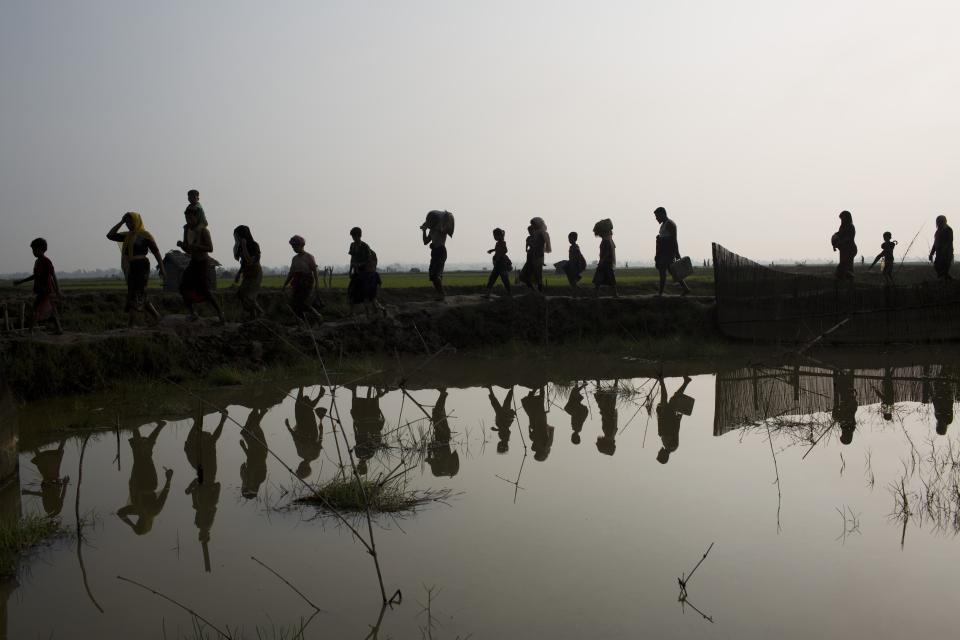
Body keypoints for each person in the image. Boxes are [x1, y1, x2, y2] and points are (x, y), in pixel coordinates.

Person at [184, 408, 226, 572]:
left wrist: (192, 488)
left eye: (201, 535)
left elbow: (196, 498)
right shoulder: (208, 516)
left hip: (203, 474)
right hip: (207, 474)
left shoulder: (200, 520)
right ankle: (204, 422)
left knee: (190, 447)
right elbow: (215, 488)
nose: (202, 532)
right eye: (204, 534)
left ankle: (198, 422)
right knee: (196, 446)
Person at [107, 212, 165, 326]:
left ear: (137, 221)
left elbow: (156, 252)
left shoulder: (145, 235)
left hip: (142, 266)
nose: (129, 224)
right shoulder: (127, 236)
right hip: (132, 267)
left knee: (137, 293)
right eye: (127, 222)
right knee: (137, 293)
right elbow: (110, 235)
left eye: (131, 221)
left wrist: (162, 268)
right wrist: (121, 222)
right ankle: (157, 316)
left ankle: (131, 324)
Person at [117, 421, 173, 535]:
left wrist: (132, 525)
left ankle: (151, 426)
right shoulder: (146, 511)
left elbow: (120, 513)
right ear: (142, 523)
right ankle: (136, 426)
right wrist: (168, 479)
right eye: (138, 523)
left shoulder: (139, 510)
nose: (138, 521)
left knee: (142, 455)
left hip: (147, 482)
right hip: (146, 482)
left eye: (136, 523)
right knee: (143, 455)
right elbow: (164, 495)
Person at [177, 201, 225, 323]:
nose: (188, 220)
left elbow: (210, 248)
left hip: (203, 263)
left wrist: (197, 247)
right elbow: (188, 249)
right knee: (183, 287)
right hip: (193, 262)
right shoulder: (187, 230)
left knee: (205, 290)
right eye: (186, 218)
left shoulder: (203, 231)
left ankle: (220, 313)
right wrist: (182, 245)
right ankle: (193, 313)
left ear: (196, 217)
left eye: (190, 218)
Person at [13, 238, 63, 334]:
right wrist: (21, 281)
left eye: (35, 250)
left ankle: (30, 332)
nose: (33, 252)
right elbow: (35, 276)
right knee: (52, 311)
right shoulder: (37, 262)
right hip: (41, 290)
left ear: (42, 249)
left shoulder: (46, 261)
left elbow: (53, 275)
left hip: (46, 291)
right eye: (32, 250)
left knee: (36, 310)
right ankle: (59, 329)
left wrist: (58, 290)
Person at [282, 235, 324, 324]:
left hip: (306, 282)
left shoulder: (309, 257)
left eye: (295, 246)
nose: (294, 248)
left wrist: (317, 283)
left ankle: (317, 315)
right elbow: (291, 273)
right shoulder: (294, 259)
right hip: (297, 282)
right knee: (294, 304)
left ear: (301, 245)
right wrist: (285, 284)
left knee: (302, 303)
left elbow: (314, 271)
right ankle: (302, 323)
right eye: (293, 247)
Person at [286, 386, 325, 479]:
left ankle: (303, 388)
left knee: (305, 409)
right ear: (304, 467)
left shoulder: (312, 455)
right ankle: (303, 388)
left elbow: (296, 438)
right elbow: (296, 438)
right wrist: (288, 428)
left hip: (308, 429)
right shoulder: (305, 454)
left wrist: (321, 430)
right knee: (302, 408)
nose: (299, 465)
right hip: (307, 429)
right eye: (299, 467)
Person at [21, 440, 68, 517]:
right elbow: (61, 495)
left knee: (43, 459)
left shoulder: (50, 506)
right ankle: (64, 438)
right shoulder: (56, 507)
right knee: (56, 456)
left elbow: (43, 495)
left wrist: (29, 492)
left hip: (49, 479)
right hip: (53, 479)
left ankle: (31, 439)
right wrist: (65, 483)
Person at [347, 227, 385, 316]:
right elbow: (352, 259)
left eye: (355, 236)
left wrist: (360, 265)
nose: (353, 238)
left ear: (359, 236)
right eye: (352, 236)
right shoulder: (352, 245)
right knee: (351, 291)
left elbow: (369, 260)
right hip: (357, 272)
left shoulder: (365, 247)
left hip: (366, 273)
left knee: (368, 296)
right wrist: (350, 270)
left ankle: (378, 311)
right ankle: (352, 312)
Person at [654, 207, 690, 295]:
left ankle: (660, 293)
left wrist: (677, 252)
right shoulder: (663, 225)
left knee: (663, 271)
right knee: (672, 271)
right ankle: (686, 289)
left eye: (657, 216)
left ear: (662, 214)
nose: (656, 218)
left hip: (668, 252)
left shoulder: (670, 224)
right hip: (663, 252)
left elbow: (674, 239)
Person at [656, 376, 692, 464]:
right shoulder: (672, 446)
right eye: (659, 454)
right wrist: (678, 419)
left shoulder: (667, 446)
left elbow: (662, 429)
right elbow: (675, 431)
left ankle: (663, 380)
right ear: (664, 455)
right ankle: (662, 380)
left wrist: (659, 414)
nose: (658, 452)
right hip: (669, 418)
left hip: (666, 417)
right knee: (672, 398)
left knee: (671, 398)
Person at [351, 386, 386, 476]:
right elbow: (373, 441)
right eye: (361, 465)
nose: (360, 464)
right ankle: (371, 388)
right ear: (364, 465)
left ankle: (354, 389)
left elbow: (356, 438)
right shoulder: (370, 454)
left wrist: (354, 425)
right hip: (368, 427)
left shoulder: (358, 455)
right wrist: (369, 438)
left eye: (359, 465)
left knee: (354, 412)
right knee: (361, 414)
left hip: (363, 428)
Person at [232, 225, 264, 320]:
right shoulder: (241, 247)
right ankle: (253, 315)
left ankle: (260, 312)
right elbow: (244, 263)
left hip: (255, 273)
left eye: (237, 236)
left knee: (248, 296)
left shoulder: (254, 245)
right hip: (247, 273)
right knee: (241, 294)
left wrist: (244, 246)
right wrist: (239, 273)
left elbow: (249, 261)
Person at [421, 210, 453, 301]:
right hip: (435, 252)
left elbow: (443, 229)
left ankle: (442, 294)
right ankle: (440, 294)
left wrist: (445, 218)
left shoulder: (441, 228)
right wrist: (424, 231)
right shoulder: (432, 230)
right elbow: (425, 242)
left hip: (441, 252)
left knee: (436, 275)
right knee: (432, 275)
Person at [427, 388, 460, 477]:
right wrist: (436, 424)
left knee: (439, 413)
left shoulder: (440, 467)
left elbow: (430, 446)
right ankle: (443, 394)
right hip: (443, 433)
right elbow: (432, 445)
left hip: (442, 434)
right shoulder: (443, 463)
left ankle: (443, 393)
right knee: (438, 413)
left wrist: (429, 455)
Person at [239, 407, 269, 499]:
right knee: (252, 427)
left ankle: (257, 410)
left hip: (252, 449)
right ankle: (261, 411)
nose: (243, 486)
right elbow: (257, 462)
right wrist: (250, 474)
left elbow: (249, 460)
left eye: (243, 488)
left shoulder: (246, 478)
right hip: (261, 449)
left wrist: (244, 447)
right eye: (245, 488)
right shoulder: (261, 477)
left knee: (245, 431)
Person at [521, 386, 554, 461]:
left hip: (536, 424)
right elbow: (551, 430)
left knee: (530, 405)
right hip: (540, 423)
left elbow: (550, 430)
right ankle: (541, 386)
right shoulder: (546, 446)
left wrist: (530, 431)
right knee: (536, 405)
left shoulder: (539, 447)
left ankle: (537, 388)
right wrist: (545, 427)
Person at [519, 218, 551, 293]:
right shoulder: (534, 234)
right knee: (523, 276)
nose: (532, 226)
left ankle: (539, 293)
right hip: (532, 257)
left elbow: (540, 246)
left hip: (537, 257)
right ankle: (534, 290)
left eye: (533, 224)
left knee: (538, 276)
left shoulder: (542, 233)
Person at [592, 219, 618, 298]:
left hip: (605, 263)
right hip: (608, 263)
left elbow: (606, 253)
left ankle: (596, 294)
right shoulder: (609, 240)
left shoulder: (606, 241)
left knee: (598, 279)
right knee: (610, 279)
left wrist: (601, 262)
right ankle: (614, 294)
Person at [832, 369, 857, 445]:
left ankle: (844, 372)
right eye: (842, 436)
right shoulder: (848, 426)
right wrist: (838, 417)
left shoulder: (850, 427)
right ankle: (842, 371)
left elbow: (843, 416)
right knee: (841, 386)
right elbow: (847, 415)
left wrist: (838, 417)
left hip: (850, 401)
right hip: (848, 400)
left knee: (842, 386)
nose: (842, 434)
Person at [484, 228, 512, 298]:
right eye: (494, 236)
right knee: (492, 278)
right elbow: (498, 249)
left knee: (504, 279)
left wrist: (499, 256)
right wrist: (492, 250)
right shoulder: (498, 243)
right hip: (498, 263)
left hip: (501, 263)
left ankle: (509, 293)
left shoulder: (502, 242)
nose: (494, 237)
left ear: (499, 235)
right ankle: (487, 294)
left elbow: (505, 250)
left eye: (495, 236)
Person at [487, 386, 516, 453]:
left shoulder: (505, 438)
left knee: (498, 402)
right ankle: (512, 387)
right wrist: (496, 429)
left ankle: (490, 388)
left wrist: (497, 429)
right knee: (500, 402)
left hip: (502, 419)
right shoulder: (505, 438)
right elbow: (505, 429)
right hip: (503, 418)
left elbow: (505, 430)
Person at [831, 210, 857, 281]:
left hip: (850, 249)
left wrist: (840, 242)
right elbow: (839, 235)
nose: (841, 220)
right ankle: (846, 284)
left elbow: (849, 238)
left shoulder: (851, 227)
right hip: (843, 250)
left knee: (843, 267)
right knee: (847, 267)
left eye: (842, 218)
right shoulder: (842, 227)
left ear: (847, 218)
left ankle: (848, 282)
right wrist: (834, 240)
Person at [595, 382, 619, 455]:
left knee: (613, 392)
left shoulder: (612, 435)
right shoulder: (609, 433)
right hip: (608, 408)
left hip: (610, 409)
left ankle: (616, 378)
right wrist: (603, 411)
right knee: (600, 395)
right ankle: (598, 379)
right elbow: (609, 418)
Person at [929, 215, 954, 280]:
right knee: (938, 268)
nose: (939, 223)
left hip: (946, 255)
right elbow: (935, 244)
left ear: (944, 221)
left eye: (940, 221)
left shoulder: (948, 230)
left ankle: (947, 283)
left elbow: (948, 242)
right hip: (939, 254)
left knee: (943, 271)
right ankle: (949, 282)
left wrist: (943, 251)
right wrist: (931, 254)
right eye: (938, 221)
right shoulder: (937, 231)